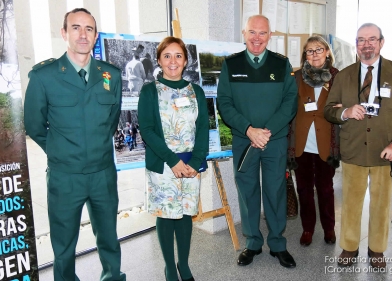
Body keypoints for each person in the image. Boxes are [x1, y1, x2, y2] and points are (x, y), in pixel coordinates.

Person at [23, 8, 126, 281]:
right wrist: (61, 151)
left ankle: (112, 277)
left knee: (109, 238)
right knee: (64, 245)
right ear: (64, 33)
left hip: (103, 174)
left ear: (95, 36)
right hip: (64, 177)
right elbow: (34, 125)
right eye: (76, 27)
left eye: (89, 29)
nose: (83, 34)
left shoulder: (110, 76)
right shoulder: (44, 77)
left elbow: (112, 120)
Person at [324, 23, 392, 269]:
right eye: (361, 40)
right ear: (356, 44)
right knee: (351, 203)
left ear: (381, 42)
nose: (366, 44)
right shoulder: (343, 76)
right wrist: (345, 111)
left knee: (381, 204)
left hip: (384, 151)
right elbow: (329, 110)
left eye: (372, 39)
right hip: (353, 150)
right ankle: (349, 247)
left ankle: (377, 250)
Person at [217, 15, 298, 268]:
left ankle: (277, 244)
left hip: (274, 141)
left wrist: (267, 131)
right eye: (252, 32)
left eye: (262, 33)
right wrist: (249, 130)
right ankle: (253, 243)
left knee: (275, 190)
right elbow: (224, 103)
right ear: (244, 33)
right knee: (247, 190)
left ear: (269, 35)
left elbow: (290, 103)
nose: (256, 38)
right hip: (244, 141)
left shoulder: (281, 64)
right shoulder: (231, 64)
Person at [138, 36, 209, 281]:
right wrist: (173, 162)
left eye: (178, 56)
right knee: (167, 214)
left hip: (190, 165)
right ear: (158, 60)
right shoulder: (149, 91)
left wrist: (195, 160)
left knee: (186, 213)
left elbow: (202, 128)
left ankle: (184, 265)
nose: (172, 61)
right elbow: (146, 130)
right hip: (164, 165)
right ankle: (169, 266)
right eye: (167, 56)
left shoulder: (196, 91)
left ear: (186, 61)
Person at [288, 35, 339, 247]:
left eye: (319, 49)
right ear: (305, 55)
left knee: (326, 189)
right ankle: (307, 228)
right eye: (310, 51)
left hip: (326, 142)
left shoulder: (337, 77)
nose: (315, 54)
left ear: (327, 52)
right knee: (304, 189)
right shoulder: (296, 76)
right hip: (301, 143)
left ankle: (329, 228)